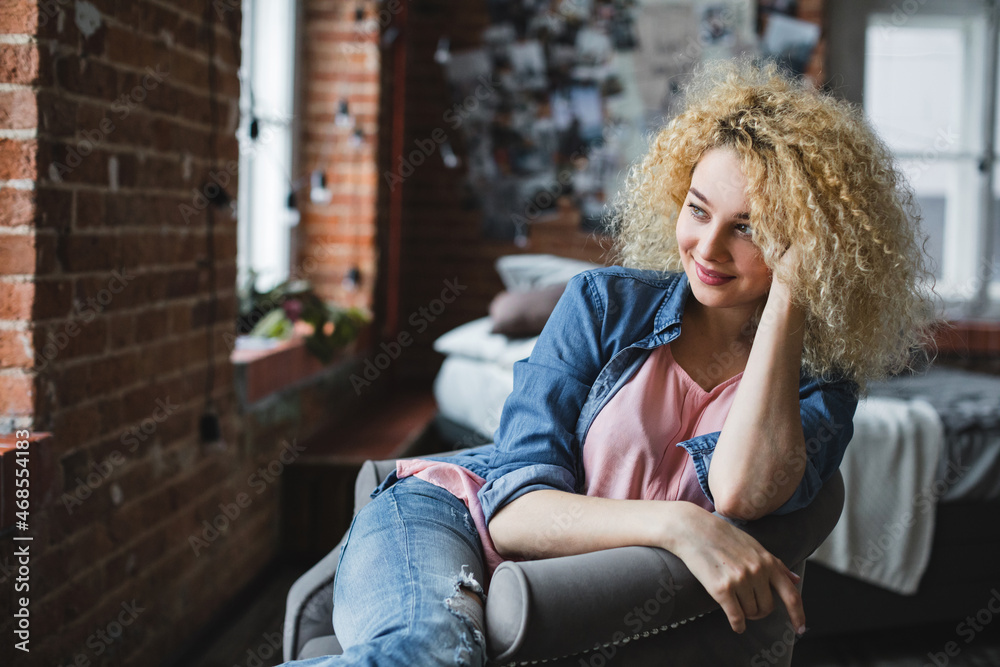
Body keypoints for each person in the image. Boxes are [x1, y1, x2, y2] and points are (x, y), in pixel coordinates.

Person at [279, 57, 935, 667]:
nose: (707, 247)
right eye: (698, 209)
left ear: (806, 244)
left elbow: (742, 489)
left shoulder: (822, 384)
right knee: (437, 647)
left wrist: (794, 291)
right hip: (444, 514)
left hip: (552, 581)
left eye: (750, 228)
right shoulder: (601, 303)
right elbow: (512, 508)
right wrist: (680, 523)